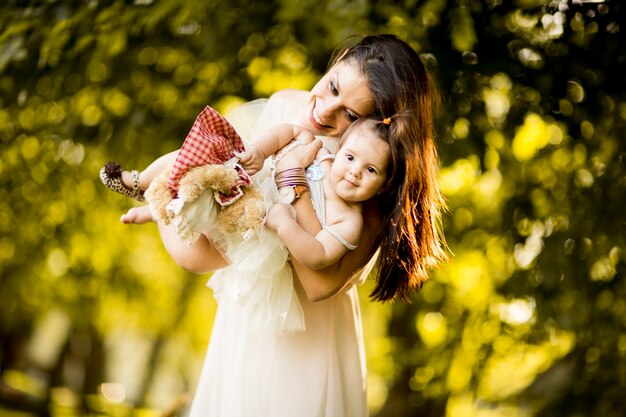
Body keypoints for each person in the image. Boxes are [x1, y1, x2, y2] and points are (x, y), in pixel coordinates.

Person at [107, 34, 448, 416]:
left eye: (350, 115)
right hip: (246, 317)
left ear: (377, 122)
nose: (324, 112)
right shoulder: (287, 107)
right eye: (332, 86)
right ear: (338, 60)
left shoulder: (364, 180)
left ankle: (157, 195)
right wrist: (190, 198)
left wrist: (292, 182)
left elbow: (319, 284)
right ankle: (153, 193)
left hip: (304, 341)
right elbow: (233, 195)